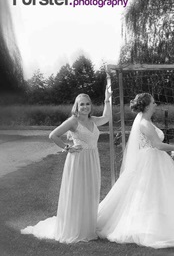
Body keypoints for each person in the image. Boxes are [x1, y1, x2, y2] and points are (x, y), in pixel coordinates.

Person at [96, 93, 174, 248]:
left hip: (155, 159)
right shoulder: (144, 124)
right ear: (147, 106)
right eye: (153, 102)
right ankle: (149, 227)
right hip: (150, 161)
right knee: (149, 193)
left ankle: (164, 221)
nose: (156, 104)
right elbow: (158, 145)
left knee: (161, 193)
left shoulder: (147, 121)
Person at [21, 74, 113, 243]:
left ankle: (86, 226)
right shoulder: (73, 121)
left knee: (90, 192)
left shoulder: (93, 121)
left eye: (87, 104)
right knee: (78, 192)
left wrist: (107, 99)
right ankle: (74, 228)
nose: (85, 107)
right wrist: (67, 147)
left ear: (91, 106)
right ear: (76, 106)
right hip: (78, 160)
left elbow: (107, 118)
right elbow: (53, 135)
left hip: (93, 159)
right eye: (82, 104)